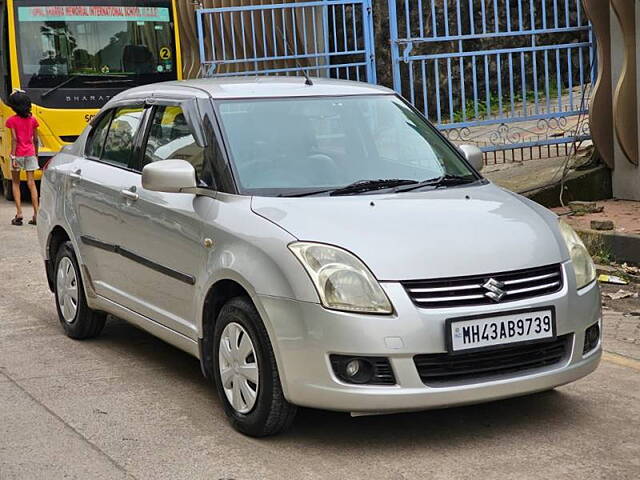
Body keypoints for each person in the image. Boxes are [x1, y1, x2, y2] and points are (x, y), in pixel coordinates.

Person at [6, 90, 39, 226]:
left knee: (16, 183)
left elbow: (14, 139)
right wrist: (35, 154)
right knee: (31, 183)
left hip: (17, 154)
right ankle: (36, 214)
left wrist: (13, 156)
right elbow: (35, 139)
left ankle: (19, 213)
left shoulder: (11, 120)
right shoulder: (33, 120)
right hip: (30, 153)